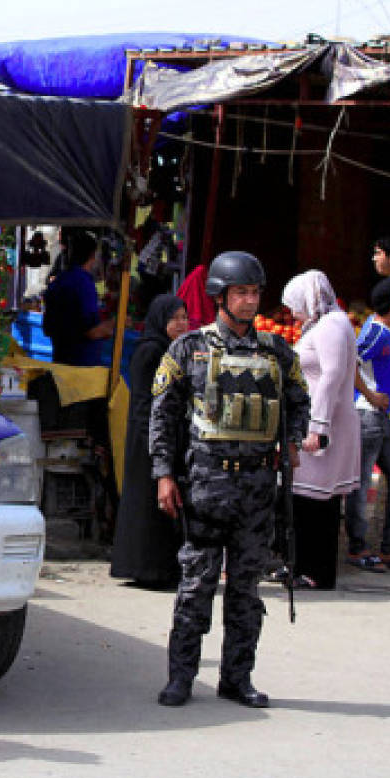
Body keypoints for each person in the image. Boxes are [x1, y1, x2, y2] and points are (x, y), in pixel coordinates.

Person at [149, 251, 310, 708]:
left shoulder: (278, 351)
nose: (248, 300)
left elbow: (300, 401)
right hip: (205, 484)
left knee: (246, 589)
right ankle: (181, 678)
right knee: (196, 585)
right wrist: (164, 474)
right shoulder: (187, 348)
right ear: (220, 296)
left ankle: (237, 678)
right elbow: (161, 416)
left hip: (258, 487)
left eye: (255, 292)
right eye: (240, 292)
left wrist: (293, 441)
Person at [280, 270, 362, 590]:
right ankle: (302, 566)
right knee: (310, 499)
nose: (293, 313)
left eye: (295, 306)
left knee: (317, 502)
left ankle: (317, 571)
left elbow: (331, 376)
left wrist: (318, 427)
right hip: (323, 421)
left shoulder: (330, 327)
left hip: (326, 424)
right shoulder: (330, 323)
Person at [111, 295, 190, 589]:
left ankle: (159, 567)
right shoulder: (151, 352)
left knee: (160, 504)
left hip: (161, 435)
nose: (182, 324)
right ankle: (146, 568)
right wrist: (154, 440)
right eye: (176, 318)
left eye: (185, 318)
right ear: (161, 320)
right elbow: (147, 402)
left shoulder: (171, 351)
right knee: (148, 502)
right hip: (148, 435)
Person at [344, 276, 390, 573]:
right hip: (368, 417)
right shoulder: (377, 333)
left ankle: (389, 549)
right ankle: (358, 547)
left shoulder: (382, 333)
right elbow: (350, 362)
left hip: (380, 421)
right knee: (361, 486)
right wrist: (371, 395)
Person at [42, 229, 113, 366]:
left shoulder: (59, 281)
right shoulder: (83, 283)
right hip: (81, 368)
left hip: (60, 361)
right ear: (92, 255)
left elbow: (47, 328)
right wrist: (115, 324)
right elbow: (91, 331)